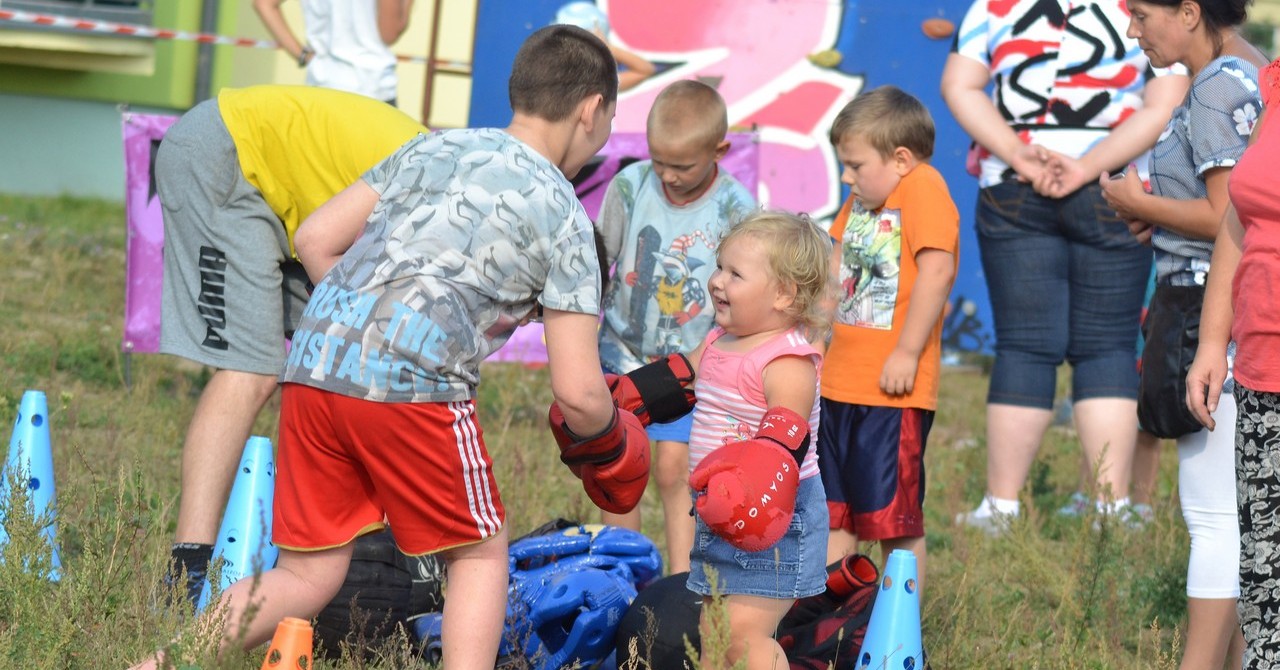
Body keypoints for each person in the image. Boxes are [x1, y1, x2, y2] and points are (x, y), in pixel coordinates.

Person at [130, 25, 660, 669]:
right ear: (592, 110)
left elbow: (318, 238)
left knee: (307, 575)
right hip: (415, 387)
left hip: (315, 367)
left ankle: (160, 661)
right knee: (477, 553)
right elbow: (579, 393)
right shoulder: (566, 213)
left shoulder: (431, 149)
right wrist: (615, 437)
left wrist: (366, 321)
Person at [153, 84, 426, 605]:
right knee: (251, 372)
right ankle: (185, 577)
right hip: (227, 160)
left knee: (353, 365)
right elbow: (316, 246)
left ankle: (355, 549)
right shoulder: (454, 220)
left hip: (287, 200)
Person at [942, 0, 1188, 532]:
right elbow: (1163, 103)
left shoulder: (992, 5)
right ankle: (1107, 508)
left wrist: (1018, 152)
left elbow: (959, 87)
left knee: (1024, 346)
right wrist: (1087, 168)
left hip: (1012, 183)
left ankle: (1002, 508)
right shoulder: (1141, 7)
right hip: (1114, 186)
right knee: (1108, 346)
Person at [1101, 3, 1263, 666]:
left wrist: (1140, 205)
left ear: (1189, 12)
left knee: (1215, 514)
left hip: (1210, 310)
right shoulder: (1244, 72)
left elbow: (1230, 216)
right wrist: (1161, 221)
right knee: (1240, 513)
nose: (1133, 29)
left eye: (1141, 13)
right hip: (1215, 305)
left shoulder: (1220, 84)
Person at [595, 79, 757, 574]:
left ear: (720, 150)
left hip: (692, 365)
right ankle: (619, 574)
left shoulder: (736, 207)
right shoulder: (629, 186)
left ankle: (680, 583)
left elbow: (750, 281)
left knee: (674, 470)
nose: (667, 174)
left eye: (681, 165)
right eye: (658, 159)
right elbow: (599, 260)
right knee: (617, 467)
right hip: (622, 352)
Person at [817, 85, 959, 600]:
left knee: (893, 521)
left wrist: (906, 351)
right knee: (836, 515)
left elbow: (938, 270)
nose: (846, 177)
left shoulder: (921, 186)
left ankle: (898, 636)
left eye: (855, 165)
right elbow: (836, 270)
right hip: (838, 387)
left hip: (890, 393)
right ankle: (836, 624)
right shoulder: (861, 201)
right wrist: (814, 338)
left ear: (900, 159)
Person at [685, 210, 832, 670]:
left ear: (784, 295)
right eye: (719, 266)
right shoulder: (717, 339)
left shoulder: (786, 358)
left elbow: (788, 428)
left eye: (735, 273)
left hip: (775, 521)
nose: (717, 281)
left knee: (745, 639)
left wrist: (761, 467)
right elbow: (681, 379)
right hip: (720, 513)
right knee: (716, 638)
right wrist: (627, 399)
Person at [1187, 53, 1280, 669]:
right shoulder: (1274, 83)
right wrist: (1210, 343)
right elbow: (1238, 220)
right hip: (1258, 366)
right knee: (1265, 573)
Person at [253, 0, 414, 105]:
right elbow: (390, 32)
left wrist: (303, 55)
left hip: (322, 85)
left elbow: (263, 4)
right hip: (371, 90)